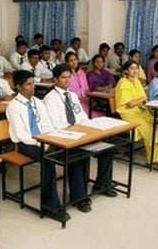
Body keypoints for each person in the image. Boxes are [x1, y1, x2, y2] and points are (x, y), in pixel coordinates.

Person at [44, 64, 118, 211]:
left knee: (108, 149)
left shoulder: (72, 95)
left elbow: (82, 116)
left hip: (80, 133)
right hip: (64, 137)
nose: (67, 80)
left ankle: (102, 184)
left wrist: (90, 128)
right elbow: (56, 124)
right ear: (56, 79)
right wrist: (77, 129)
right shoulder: (50, 98)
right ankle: (79, 197)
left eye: (69, 77)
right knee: (77, 157)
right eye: (63, 78)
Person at [6, 70, 61, 211]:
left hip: (44, 140)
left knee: (71, 151)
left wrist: (50, 140)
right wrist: (42, 144)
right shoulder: (13, 107)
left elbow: (46, 124)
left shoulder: (37, 102)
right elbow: (22, 135)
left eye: (33, 83)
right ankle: (50, 205)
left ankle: (78, 195)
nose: (33, 87)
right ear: (18, 87)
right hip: (26, 144)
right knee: (48, 159)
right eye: (28, 84)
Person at [115, 61, 158, 165]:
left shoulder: (136, 81)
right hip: (129, 114)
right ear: (126, 71)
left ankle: (156, 158)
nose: (135, 71)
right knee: (151, 131)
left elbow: (144, 98)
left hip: (141, 111)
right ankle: (151, 160)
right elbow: (130, 104)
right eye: (132, 68)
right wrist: (139, 101)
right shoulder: (123, 82)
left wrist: (139, 101)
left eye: (137, 68)